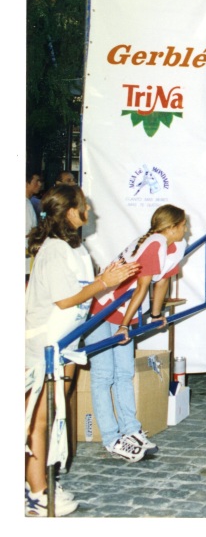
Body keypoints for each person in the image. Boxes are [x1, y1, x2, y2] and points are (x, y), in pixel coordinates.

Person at [25, 185, 138, 516]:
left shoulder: (74, 247)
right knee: (39, 417)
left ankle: (44, 479)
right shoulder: (55, 249)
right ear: (70, 212)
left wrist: (108, 280)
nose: (89, 207)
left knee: (57, 413)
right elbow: (64, 298)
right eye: (83, 203)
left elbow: (82, 292)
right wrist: (106, 282)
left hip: (67, 342)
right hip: (46, 342)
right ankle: (36, 490)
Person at [87, 204, 188, 461]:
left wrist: (156, 316)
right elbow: (141, 288)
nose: (186, 229)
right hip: (102, 307)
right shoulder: (154, 244)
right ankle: (111, 438)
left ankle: (130, 429)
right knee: (103, 375)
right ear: (172, 227)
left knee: (123, 372)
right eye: (183, 225)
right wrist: (125, 325)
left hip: (124, 313)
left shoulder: (172, 247)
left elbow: (162, 282)